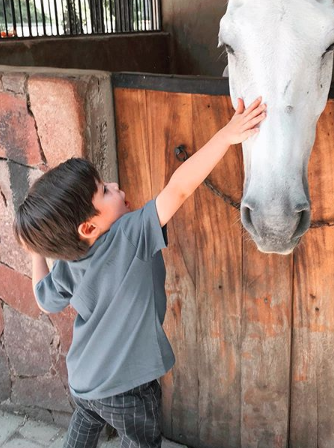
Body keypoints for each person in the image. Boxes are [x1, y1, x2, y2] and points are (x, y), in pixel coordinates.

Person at [13, 96, 266, 448]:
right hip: (127, 387)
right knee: (141, 441)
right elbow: (178, 188)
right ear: (87, 228)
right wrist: (226, 135)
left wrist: (37, 253)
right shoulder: (128, 234)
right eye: (104, 191)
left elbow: (44, 300)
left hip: (85, 380)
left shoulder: (69, 262)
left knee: (85, 423)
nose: (115, 186)